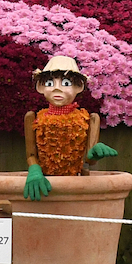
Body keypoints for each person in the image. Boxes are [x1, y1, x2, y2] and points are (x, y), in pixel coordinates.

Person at [23, 56, 118, 200]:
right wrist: (34, 169)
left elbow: (89, 160)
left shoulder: (88, 120)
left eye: (65, 83)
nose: (57, 88)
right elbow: (31, 154)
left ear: (78, 87)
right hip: (45, 184)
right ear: (40, 88)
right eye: (50, 82)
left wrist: (94, 153)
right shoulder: (33, 118)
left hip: (76, 186)